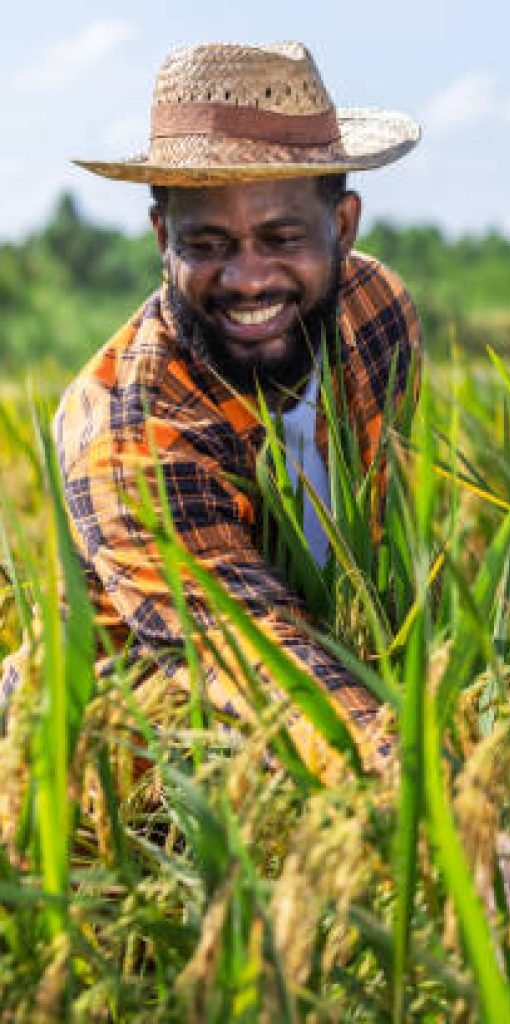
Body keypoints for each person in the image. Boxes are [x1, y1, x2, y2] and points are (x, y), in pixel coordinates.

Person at [0, 41, 421, 783]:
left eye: (282, 238)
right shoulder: (131, 435)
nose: (248, 278)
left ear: (344, 227)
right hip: (103, 784)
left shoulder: (376, 313)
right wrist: (429, 796)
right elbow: (251, 650)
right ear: (164, 239)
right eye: (208, 244)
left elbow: (373, 548)